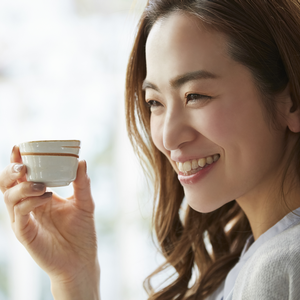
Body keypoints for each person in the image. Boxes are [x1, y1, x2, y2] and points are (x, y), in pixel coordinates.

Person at [2, 0, 300, 299]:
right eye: (155, 102)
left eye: (195, 95)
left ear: (293, 100)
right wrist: (74, 276)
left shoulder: (283, 262)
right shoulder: (252, 259)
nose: (168, 138)